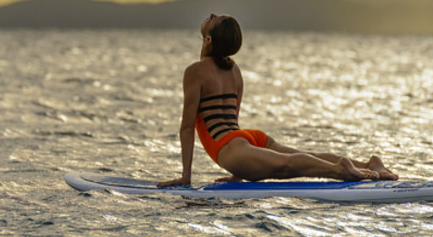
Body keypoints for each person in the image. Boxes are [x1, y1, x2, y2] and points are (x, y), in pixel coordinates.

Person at [159, 14, 397, 187]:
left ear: (209, 39)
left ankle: (340, 170)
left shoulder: (195, 71)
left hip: (233, 147)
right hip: (247, 140)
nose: (210, 16)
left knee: (289, 165)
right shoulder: (234, 70)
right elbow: (233, 118)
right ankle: (368, 164)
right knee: (297, 156)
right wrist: (238, 171)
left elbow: (188, 127)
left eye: (214, 20)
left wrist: (185, 176)